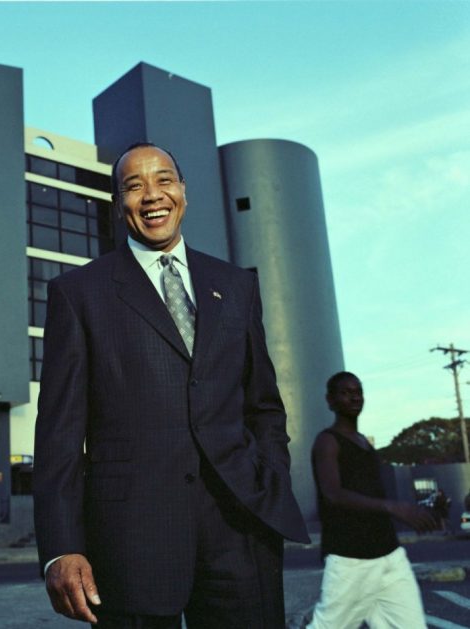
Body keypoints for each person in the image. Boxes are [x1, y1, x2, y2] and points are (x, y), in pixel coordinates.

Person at [33, 142, 308, 628]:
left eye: (164, 180)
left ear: (183, 191)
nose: (152, 195)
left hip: (241, 528)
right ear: (118, 203)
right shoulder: (78, 294)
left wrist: (271, 476)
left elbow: (263, 405)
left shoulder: (236, 285)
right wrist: (61, 547)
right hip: (130, 540)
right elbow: (59, 434)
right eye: (133, 186)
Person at [308, 371, 437, 628]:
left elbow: (372, 496)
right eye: (345, 393)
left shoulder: (365, 444)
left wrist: (416, 511)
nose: (354, 397)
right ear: (330, 401)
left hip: (390, 557)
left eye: (358, 392)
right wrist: (392, 507)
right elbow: (332, 494)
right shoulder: (327, 441)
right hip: (351, 562)